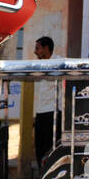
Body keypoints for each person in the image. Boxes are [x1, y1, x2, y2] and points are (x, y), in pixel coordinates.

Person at [32, 36, 64, 164]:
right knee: (39, 148)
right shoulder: (37, 65)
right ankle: (41, 177)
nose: (35, 52)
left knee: (52, 148)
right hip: (40, 112)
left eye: (37, 48)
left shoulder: (59, 62)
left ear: (46, 48)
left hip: (53, 112)